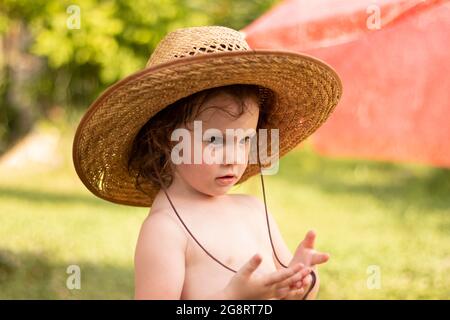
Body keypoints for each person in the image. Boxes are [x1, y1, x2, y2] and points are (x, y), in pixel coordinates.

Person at [72, 26, 343, 300]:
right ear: (168, 140)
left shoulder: (253, 210)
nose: (234, 157)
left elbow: (289, 293)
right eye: (214, 140)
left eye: (244, 140)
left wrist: (300, 280)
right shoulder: (166, 229)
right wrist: (233, 298)